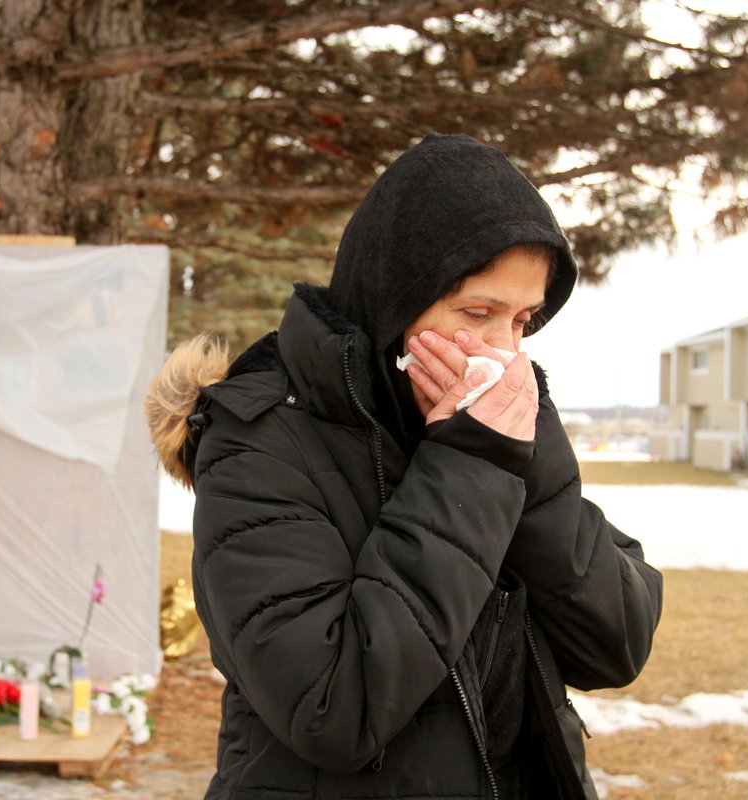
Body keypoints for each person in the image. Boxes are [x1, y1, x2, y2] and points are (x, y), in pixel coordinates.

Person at [145, 132, 663, 800]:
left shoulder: (505, 417)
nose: (503, 350)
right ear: (395, 300)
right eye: (477, 313)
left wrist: (520, 462)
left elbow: (614, 643)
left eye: (523, 321)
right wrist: (473, 462)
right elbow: (332, 707)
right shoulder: (260, 441)